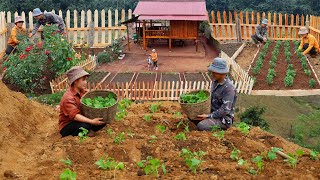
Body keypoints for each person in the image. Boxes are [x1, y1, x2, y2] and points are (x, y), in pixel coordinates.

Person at [59, 66, 106, 137]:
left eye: (86, 80)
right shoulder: (68, 97)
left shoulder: (83, 92)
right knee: (85, 126)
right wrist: (92, 121)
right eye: (83, 80)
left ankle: (89, 131)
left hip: (80, 120)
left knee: (103, 119)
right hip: (68, 125)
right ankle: (86, 131)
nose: (86, 82)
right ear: (75, 81)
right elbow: (75, 116)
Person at [196, 58, 237, 131]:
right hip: (213, 113)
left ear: (222, 73)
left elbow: (225, 110)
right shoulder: (215, 82)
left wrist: (209, 116)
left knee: (201, 125)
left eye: (215, 72)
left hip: (223, 119)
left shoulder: (229, 88)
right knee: (194, 116)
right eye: (213, 71)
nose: (212, 73)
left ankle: (219, 129)